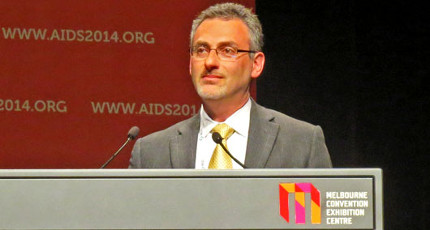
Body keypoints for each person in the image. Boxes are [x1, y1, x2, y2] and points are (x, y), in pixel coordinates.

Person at [129, 2, 332, 169]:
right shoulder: (150, 153)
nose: (210, 62)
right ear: (190, 63)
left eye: (227, 50)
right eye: (201, 50)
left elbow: (317, 218)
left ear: (256, 64)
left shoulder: (302, 144)